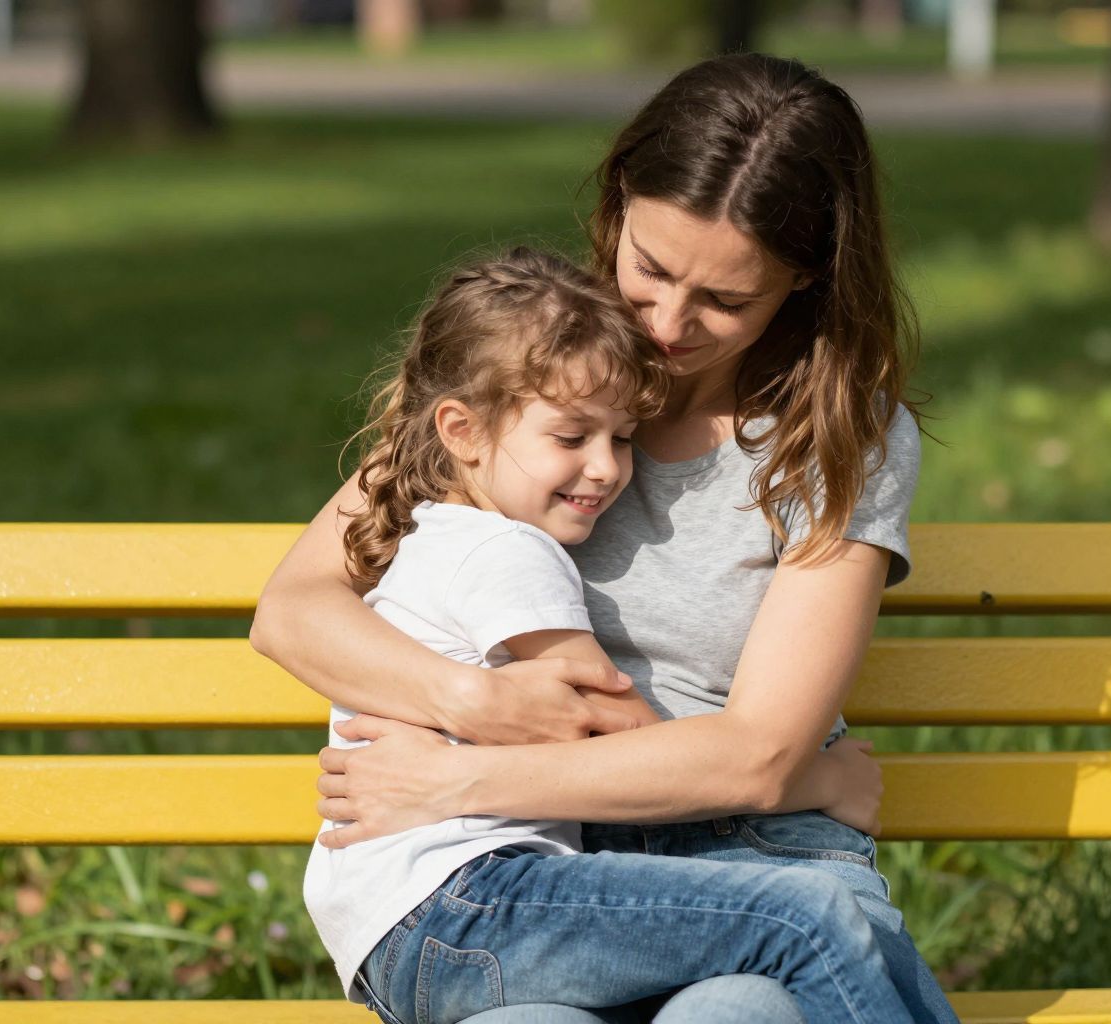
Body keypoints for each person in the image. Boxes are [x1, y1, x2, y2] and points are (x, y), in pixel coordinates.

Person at [253, 53, 959, 1024]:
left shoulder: (840, 441)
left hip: (749, 851)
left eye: (725, 300)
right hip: (531, 871)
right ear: (617, 206)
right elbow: (294, 609)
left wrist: (465, 772)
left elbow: (756, 758)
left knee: (737, 1018)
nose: (669, 323)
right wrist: (479, 700)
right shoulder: (528, 371)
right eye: (652, 269)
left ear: (804, 279)